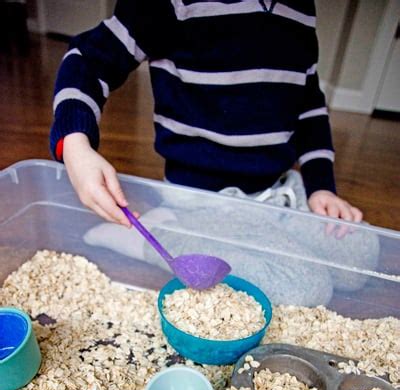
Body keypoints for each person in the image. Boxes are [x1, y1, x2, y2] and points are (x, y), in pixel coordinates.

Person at [50, 0, 379, 306]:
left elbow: (308, 104)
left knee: (361, 255)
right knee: (306, 288)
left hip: (278, 192)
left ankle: (264, 237)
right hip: (205, 200)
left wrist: (321, 187)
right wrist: (76, 145)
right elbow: (88, 59)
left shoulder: (300, 8)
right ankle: (157, 235)